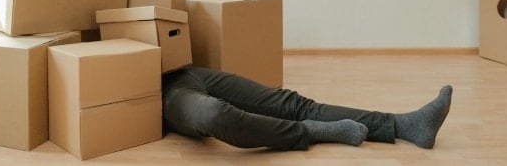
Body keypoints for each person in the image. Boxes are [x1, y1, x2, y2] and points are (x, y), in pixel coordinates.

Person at [162, 66, 452, 150]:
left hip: (182, 69)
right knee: (214, 114)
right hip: (158, 92)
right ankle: (307, 132)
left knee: (291, 103)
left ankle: (404, 125)